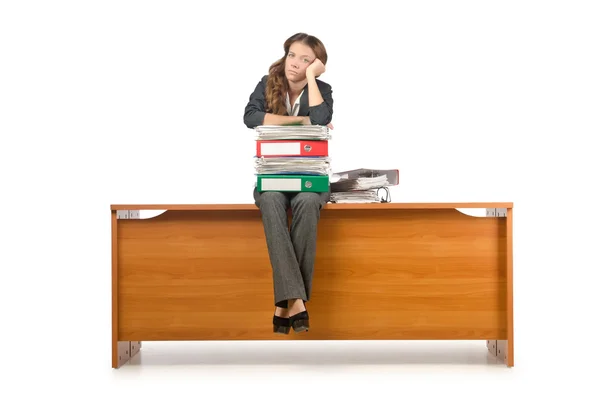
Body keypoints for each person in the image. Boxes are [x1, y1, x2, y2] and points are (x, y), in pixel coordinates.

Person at [243, 32, 334, 334]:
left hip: (310, 179)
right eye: (292, 55)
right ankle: (297, 303)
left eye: (306, 60)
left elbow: (321, 117)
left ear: (316, 66)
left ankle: (286, 303)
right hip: (273, 177)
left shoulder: (322, 89)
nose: (295, 63)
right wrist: (300, 122)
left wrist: (311, 78)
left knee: (308, 202)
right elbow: (251, 117)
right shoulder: (267, 84)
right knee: (269, 200)